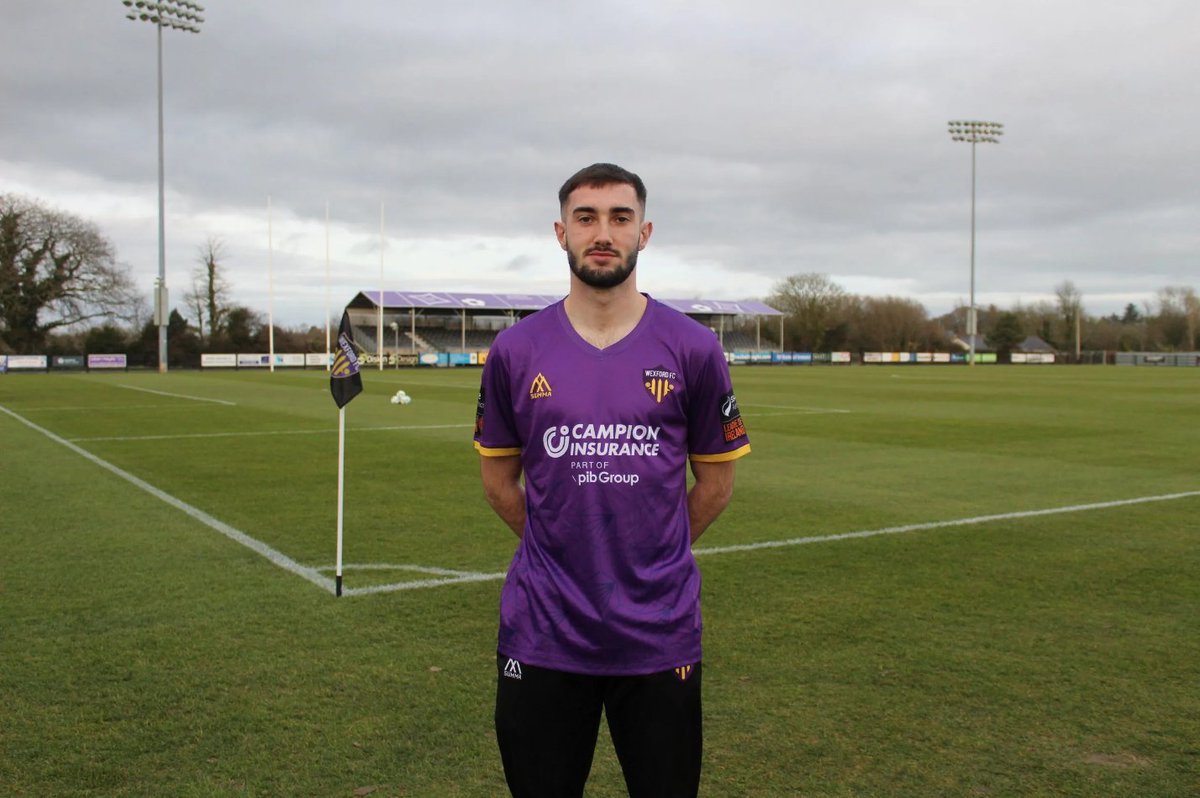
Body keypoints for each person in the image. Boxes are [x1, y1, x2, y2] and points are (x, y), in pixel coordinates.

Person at [473, 162, 751, 798]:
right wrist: (555, 544)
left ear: (644, 233)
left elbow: (715, 486)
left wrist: (651, 552)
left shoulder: (694, 348)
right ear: (560, 232)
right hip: (543, 630)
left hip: (658, 631)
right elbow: (497, 481)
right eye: (587, 217)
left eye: (620, 218)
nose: (603, 232)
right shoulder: (516, 350)